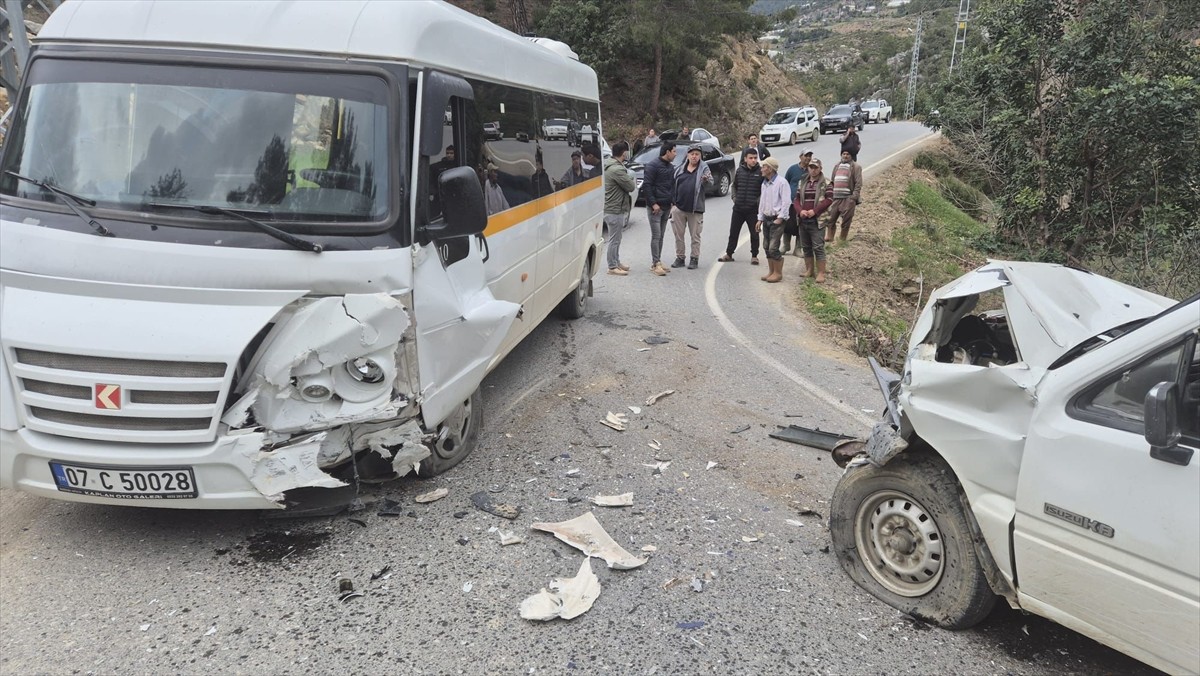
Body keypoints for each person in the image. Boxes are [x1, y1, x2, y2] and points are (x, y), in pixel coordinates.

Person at [670, 143, 712, 270]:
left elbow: (711, 183)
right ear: (687, 155)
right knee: (678, 235)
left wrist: (705, 180)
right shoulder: (679, 169)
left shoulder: (704, 169)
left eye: (697, 154)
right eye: (692, 154)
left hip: (695, 209)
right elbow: (673, 186)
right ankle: (680, 257)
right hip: (679, 208)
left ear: (700, 156)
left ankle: (694, 258)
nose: (694, 156)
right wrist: (673, 205)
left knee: (695, 236)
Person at [718, 147, 762, 265]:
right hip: (738, 209)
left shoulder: (761, 172)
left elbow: (764, 191)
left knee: (754, 233)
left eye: (755, 158)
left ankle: (754, 255)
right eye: (751, 158)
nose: (753, 160)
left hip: (753, 210)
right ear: (745, 159)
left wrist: (757, 203)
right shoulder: (739, 171)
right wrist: (734, 198)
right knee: (733, 232)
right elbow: (734, 186)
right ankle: (729, 253)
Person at [793, 159, 833, 282]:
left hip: (818, 220)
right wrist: (800, 211)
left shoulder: (826, 182)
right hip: (803, 219)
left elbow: (829, 199)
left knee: (818, 246)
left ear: (820, 168)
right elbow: (796, 199)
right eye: (811, 167)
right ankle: (809, 270)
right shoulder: (802, 181)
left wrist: (815, 211)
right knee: (806, 246)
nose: (813, 169)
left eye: (815, 167)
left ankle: (821, 273)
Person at [642, 141, 677, 276]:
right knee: (656, 236)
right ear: (667, 152)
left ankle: (658, 261)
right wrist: (653, 203)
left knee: (661, 235)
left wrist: (673, 201)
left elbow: (672, 186)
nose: (675, 154)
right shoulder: (652, 166)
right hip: (655, 208)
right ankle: (655, 263)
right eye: (674, 151)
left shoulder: (670, 167)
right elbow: (647, 186)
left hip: (666, 206)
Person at [755, 156, 790, 283]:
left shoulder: (781, 182)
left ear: (770, 169)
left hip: (777, 219)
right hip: (767, 218)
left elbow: (786, 202)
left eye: (764, 166)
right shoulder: (764, 183)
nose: (762, 169)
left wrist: (780, 218)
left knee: (773, 247)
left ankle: (778, 273)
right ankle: (771, 271)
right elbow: (762, 203)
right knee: (766, 246)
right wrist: (760, 218)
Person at [603, 141, 636, 276]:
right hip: (614, 209)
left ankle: (616, 262)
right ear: (624, 153)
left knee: (617, 238)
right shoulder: (616, 169)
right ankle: (612, 266)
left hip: (615, 207)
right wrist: (629, 177)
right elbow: (631, 186)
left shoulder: (612, 165)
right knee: (614, 239)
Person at [825, 150, 862, 243]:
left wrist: (853, 197)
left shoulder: (856, 167)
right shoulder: (837, 166)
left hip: (847, 198)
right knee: (830, 219)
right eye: (844, 154)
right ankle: (830, 239)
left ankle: (842, 240)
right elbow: (833, 180)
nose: (845, 156)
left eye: (847, 154)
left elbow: (858, 183)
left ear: (851, 155)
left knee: (846, 221)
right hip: (835, 197)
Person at [780, 150, 813, 256]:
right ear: (800, 157)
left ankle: (798, 248)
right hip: (790, 203)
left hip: (804, 204)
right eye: (806, 155)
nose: (807, 158)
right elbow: (785, 183)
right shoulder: (792, 169)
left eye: (809, 156)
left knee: (801, 225)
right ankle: (785, 245)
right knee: (787, 224)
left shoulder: (811, 170)